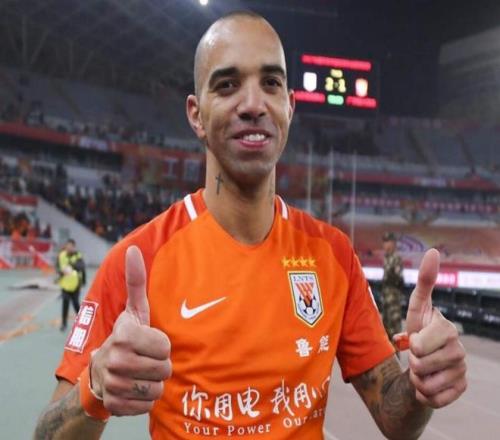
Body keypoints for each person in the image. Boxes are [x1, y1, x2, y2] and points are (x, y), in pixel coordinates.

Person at [34, 11, 467, 439]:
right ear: (196, 115)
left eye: (271, 83)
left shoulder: (333, 255)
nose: (254, 105)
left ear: (289, 107)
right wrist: (94, 388)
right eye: (227, 85)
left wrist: (421, 384)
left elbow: (395, 418)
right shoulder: (138, 260)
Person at [56, 238, 86, 331]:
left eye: (70, 246)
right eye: (67, 246)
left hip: (75, 285)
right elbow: (57, 267)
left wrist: (71, 266)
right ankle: (64, 323)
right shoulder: (61, 255)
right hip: (65, 284)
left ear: (74, 247)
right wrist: (61, 271)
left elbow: (81, 267)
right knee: (65, 302)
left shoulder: (78, 256)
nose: (68, 248)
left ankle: (81, 323)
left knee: (76, 303)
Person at [381, 231, 404, 343]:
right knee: (385, 327)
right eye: (384, 242)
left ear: (393, 244)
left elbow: (397, 278)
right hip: (386, 298)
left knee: (394, 326)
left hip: (393, 298)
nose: (386, 245)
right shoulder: (386, 258)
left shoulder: (396, 258)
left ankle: (396, 351)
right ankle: (388, 351)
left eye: (388, 242)